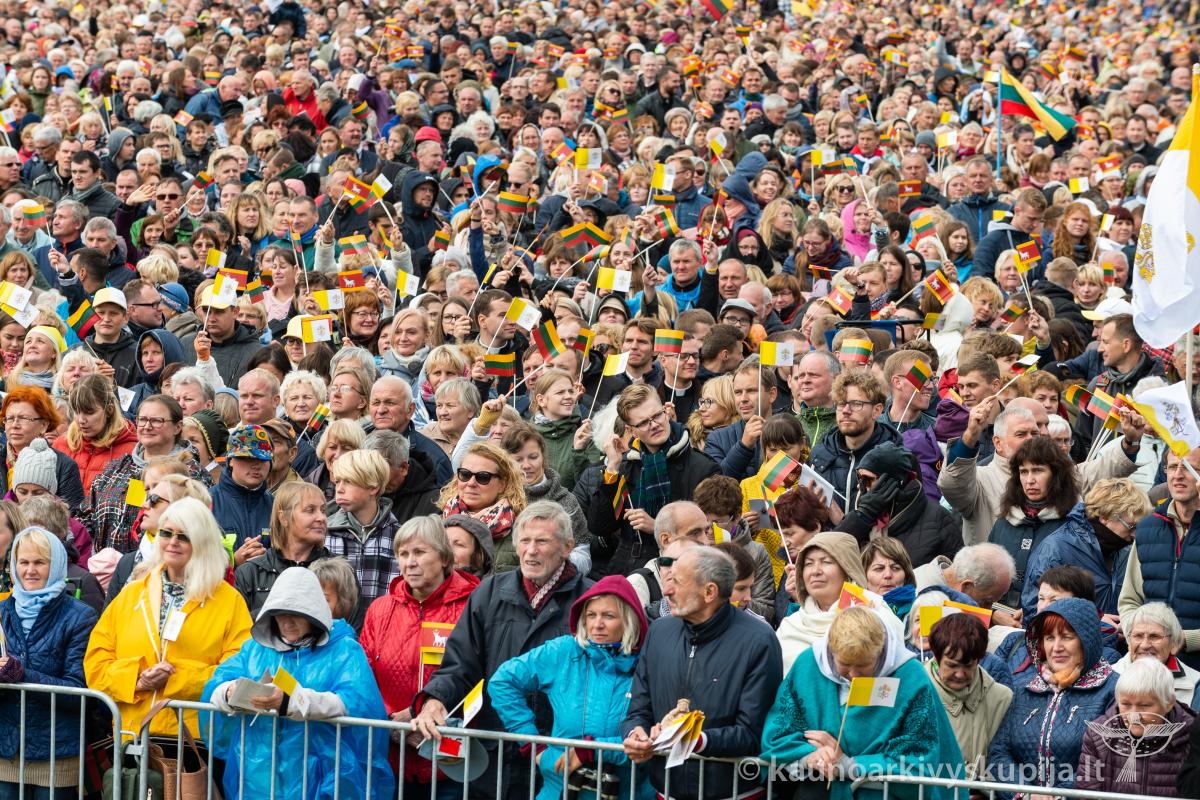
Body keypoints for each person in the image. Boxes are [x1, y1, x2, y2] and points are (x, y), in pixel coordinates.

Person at [412, 502, 591, 796]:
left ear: (567, 547)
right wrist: (435, 699)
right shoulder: (490, 591)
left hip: (559, 756)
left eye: (542, 541)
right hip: (493, 755)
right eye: (525, 540)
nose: (531, 551)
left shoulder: (590, 600)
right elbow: (460, 664)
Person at [203, 567, 395, 800]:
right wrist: (229, 692)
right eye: (279, 613)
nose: (287, 621)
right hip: (259, 777)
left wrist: (293, 701)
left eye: (296, 613)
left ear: (314, 612)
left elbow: (356, 702)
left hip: (320, 775)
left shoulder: (344, 650)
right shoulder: (254, 649)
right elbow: (216, 686)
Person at [622, 546, 783, 800]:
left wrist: (695, 740)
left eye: (677, 582)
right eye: (668, 580)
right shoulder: (659, 632)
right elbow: (638, 709)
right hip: (667, 791)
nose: (667, 590)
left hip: (734, 793)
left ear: (710, 592)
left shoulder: (759, 640)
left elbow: (754, 732)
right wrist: (635, 734)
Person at [84, 497, 252, 737]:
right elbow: (96, 664)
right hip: (134, 737)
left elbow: (238, 671)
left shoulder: (229, 601)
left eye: (184, 536)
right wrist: (137, 680)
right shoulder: (133, 594)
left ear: (202, 543)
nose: (173, 542)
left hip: (197, 740)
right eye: (166, 533)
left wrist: (176, 678)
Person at [761, 605, 964, 799]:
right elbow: (778, 733)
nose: (853, 675)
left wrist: (849, 765)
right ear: (831, 650)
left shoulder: (909, 677)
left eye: (864, 665)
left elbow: (919, 759)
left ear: (881, 651)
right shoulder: (808, 665)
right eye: (845, 664)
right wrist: (810, 756)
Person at [491, 574, 650, 800]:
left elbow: (653, 740)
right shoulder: (565, 651)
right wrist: (532, 744)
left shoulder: (650, 661)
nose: (597, 624)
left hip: (627, 792)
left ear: (629, 620)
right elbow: (502, 682)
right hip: (559, 790)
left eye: (609, 616)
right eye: (591, 615)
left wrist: (591, 750)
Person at [361, 516, 477, 795]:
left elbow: (478, 675)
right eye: (403, 554)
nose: (410, 562)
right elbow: (363, 679)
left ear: (444, 558)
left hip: (449, 760)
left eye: (420, 552)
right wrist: (391, 724)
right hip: (390, 758)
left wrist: (426, 717)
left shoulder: (474, 606)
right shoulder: (380, 610)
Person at [0, 526, 98, 800]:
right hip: (6, 751)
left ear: (55, 565)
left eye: (39, 562)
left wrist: (22, 675)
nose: (30, 570)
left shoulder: (79, 617)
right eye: (24, 562)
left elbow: (79, 691)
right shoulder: (2, 612)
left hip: (57, 753)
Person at [587, 385, 720, 578]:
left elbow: (713, 533)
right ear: (631, 430)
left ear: (665, 411)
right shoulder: (625, 467)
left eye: (657, 415)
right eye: (643, 423)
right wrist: (612, 468)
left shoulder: (704, 467)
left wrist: (658, 526)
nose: (654, 424)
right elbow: (600, 526)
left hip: (684, 569)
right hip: (629, 569)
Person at [988, 598, 1118, 793]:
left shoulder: (1114, 690)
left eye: (1066, 637)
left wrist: (1055, 796)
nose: (1056, 647)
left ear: (1087, 641)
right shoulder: (1025, 689)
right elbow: (999, 752)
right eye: (1049, 638)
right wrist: (1025, 794)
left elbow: (1110, 760)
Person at [1021, 477, 1150, 620]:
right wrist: (1095, 621)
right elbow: (1034, 613)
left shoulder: (1126, 549)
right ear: (1105, 517)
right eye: (1131, 526)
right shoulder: (1056, 549)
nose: (1135, 534)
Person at [1119, 447, 1200, 669]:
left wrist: (1186, 639)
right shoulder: (1148, 527)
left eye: (1189, 467)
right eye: (1172, 467)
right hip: (1149, 669)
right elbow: (1129, 600)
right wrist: (1139, 636)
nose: (1178, 475)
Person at [777, 531, 901, 672]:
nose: (815, 571)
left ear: (848, 570)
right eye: (808, 564)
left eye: (826, 562)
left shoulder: (877, 614)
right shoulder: (790, 627)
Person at [1077, 657, 1195, 797]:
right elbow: (1087, 794)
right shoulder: (1097, 735)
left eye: (1144, 705)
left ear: (1168, 703)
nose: (1134, 716)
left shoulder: (1193, 735)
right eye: (1126, 704)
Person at [837, 441, 962, 565]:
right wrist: (863, 516)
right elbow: (832, 551)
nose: (860, 486)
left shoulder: (939, 519)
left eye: (867, 479)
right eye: (859, 478)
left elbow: (955, 572)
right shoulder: (862, 515)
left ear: (892, 482)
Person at [988, 436, 1079, 608]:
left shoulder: (1075, 524)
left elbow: (1078, 588)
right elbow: (986, 582)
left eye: (1037, 470)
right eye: (1023, 472)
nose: (1030, 480)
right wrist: (995, 614)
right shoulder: (1004, 522)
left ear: (1056, 474)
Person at [925, 612, 1013, 780]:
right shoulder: (913, 693)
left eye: (968, 665)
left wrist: (983, 788)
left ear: (979, 660)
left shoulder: (1002, 699)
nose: (960, 674)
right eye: (952, 665)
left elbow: (1006, 759)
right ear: (935, 658)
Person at [323, 449, 401, 628]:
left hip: (384, 631)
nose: (339, 489)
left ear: (373, 487)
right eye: (337, 481)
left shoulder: (400, 538)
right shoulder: (325, 534)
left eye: (349, 481)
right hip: (334, 635)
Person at [234, 481, 333, 617]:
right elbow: (239, 627)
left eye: (323, 510)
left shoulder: (338, 571)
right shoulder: (250, 573)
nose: (321, 518)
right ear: (283, 518)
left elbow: (350, 626)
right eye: (310, 510)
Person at [438, 441, 527, 573]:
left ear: (502, 484)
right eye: (465, 474)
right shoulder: (437, 526)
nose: (471, 483)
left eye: (483, 477)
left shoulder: (522, 533)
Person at [52, 374, 138, 496]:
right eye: (76, 411)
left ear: (109, 409)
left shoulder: (133, 452)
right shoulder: (60, 445)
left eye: (89, 412)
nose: (81, 420)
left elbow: (136, 502)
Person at [1112, 602, 1199, 707]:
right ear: (1129, 642)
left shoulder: (1196, 684)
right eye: (1138, 636)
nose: (1145, 645)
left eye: (1154, 636)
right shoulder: (1110, 677)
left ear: (1174, 644)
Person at [211, 425, 276, 562]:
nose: (256, 465)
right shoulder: (207, 503)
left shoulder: (275, 505)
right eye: (247, 458)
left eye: (263, 459)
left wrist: (267, 561)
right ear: (230, 461)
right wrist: (233, 561)